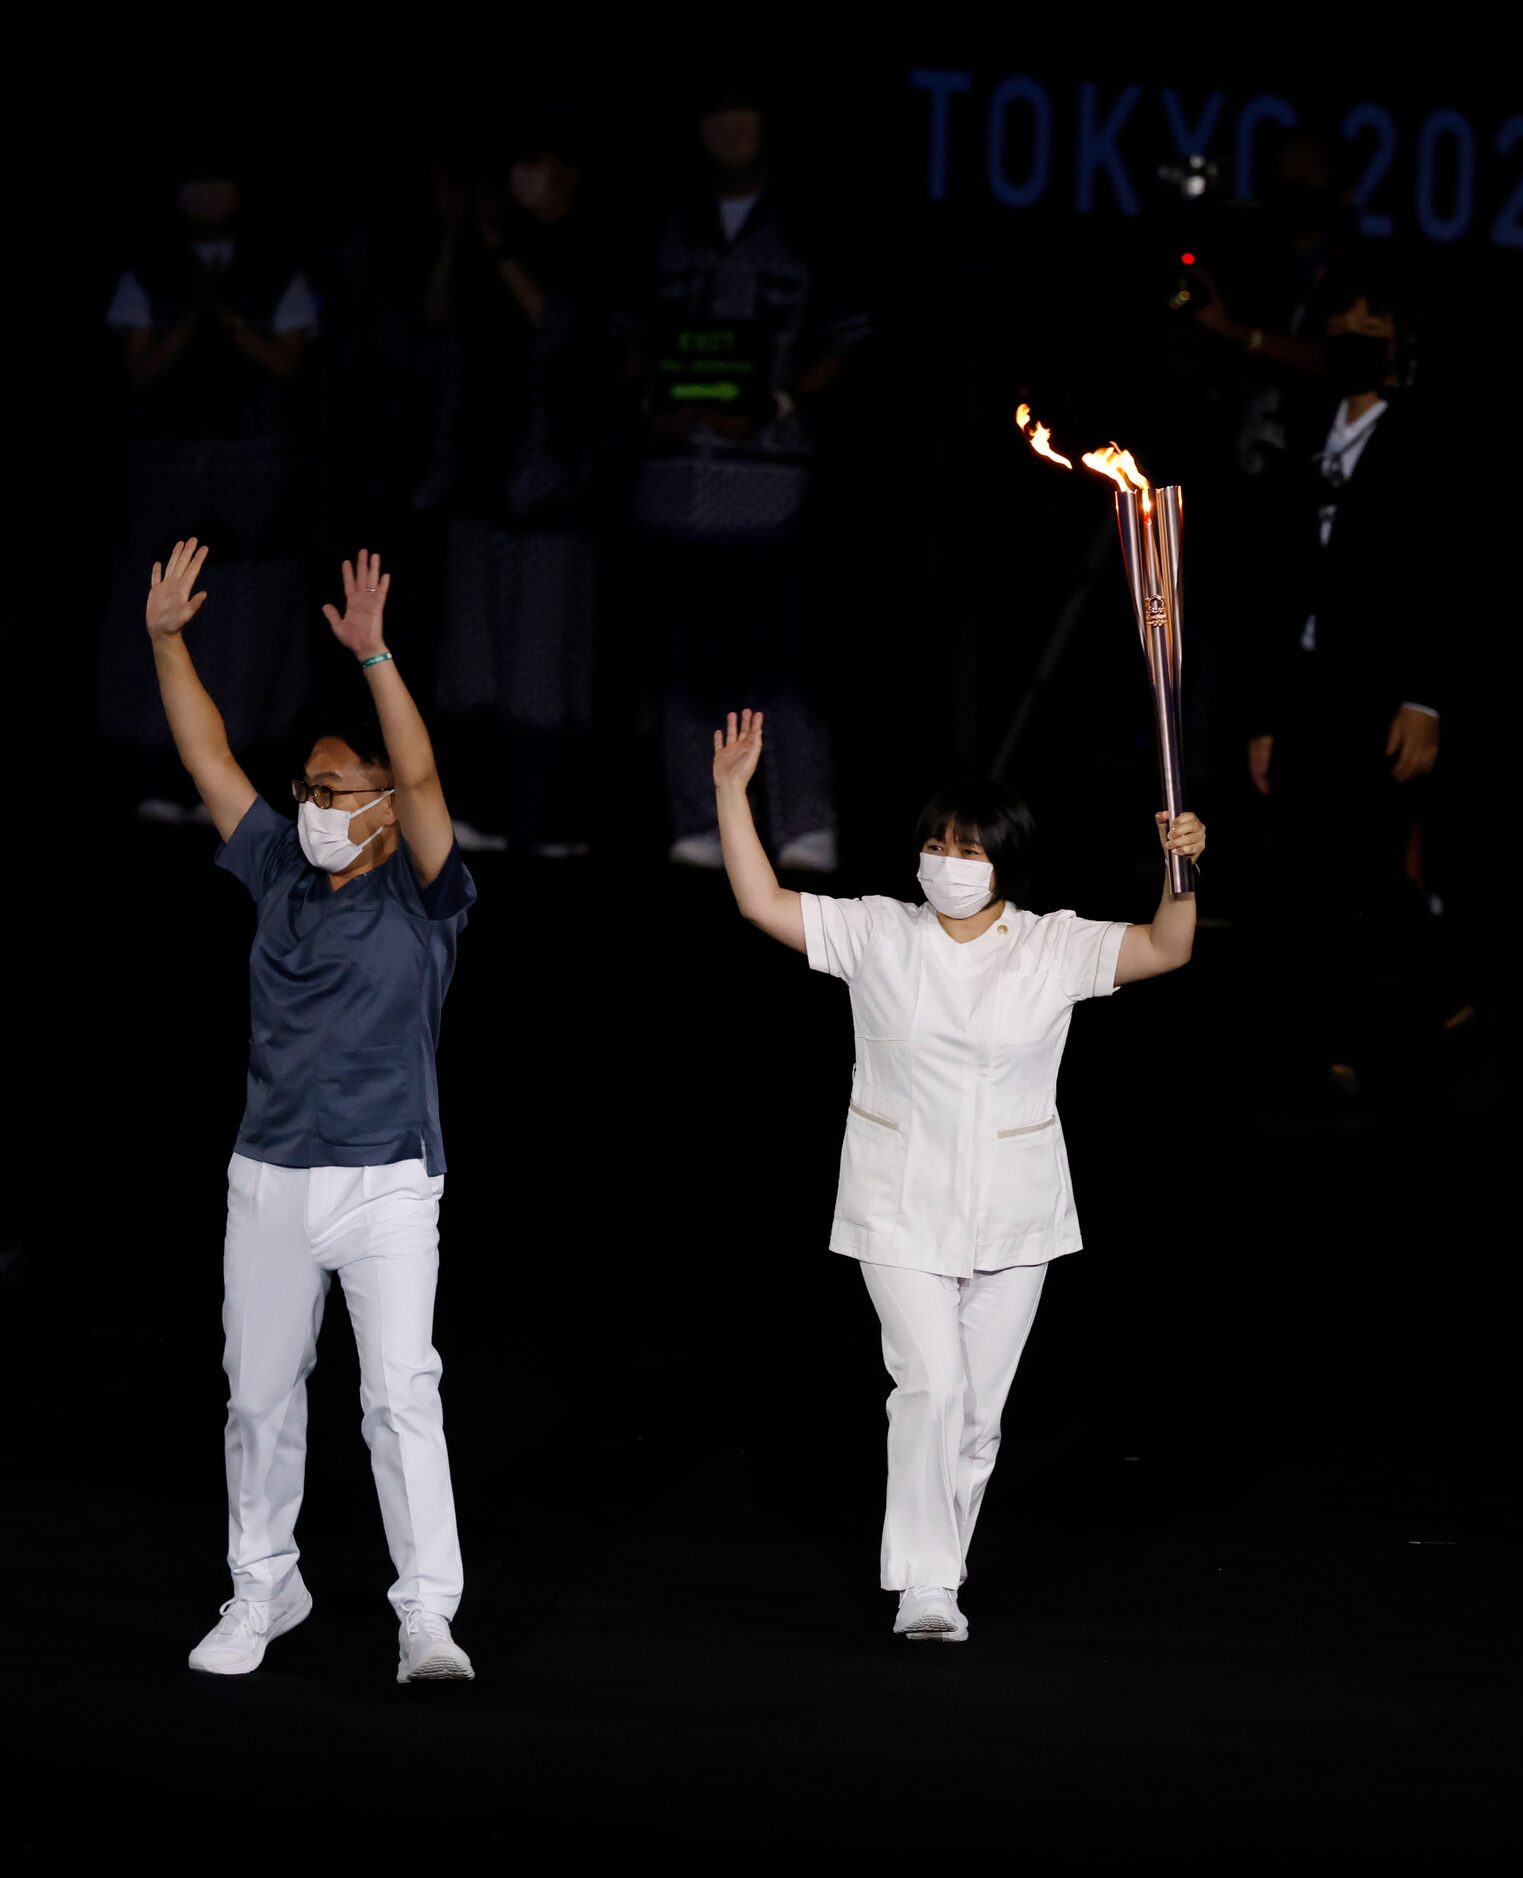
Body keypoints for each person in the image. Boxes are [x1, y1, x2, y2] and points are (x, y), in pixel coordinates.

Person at [713, 709, 1205, 1640]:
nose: (948, 861)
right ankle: (925, 1589)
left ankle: (943, 1574)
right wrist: (733, 797)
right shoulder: (878, 934)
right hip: (896, 1203)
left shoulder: (1051, 944)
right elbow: (761, 903)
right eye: (936, 845)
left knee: (976, 1415)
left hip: (1015, 1212)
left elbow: (1166, 947)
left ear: (1003, 864)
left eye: (968, 849)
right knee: (930, 1385)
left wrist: (1181, 869)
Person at [147, 539, 477, 1683]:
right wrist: (165, 639)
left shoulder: (425, 892)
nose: (316, 805)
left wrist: (376, 654)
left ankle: (426, 1614)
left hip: (387, 1178)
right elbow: (203, 749)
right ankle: (262, 1588)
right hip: (271, 1175)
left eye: (338, 792)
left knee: (398, 1396)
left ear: (381, 809)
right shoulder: (281, 864)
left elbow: (427, 781)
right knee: (256, 1398)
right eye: (310, 790)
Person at [614, 73, 869, 873]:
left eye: (743, 111)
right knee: (686, 660)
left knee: (779, 660)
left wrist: (779, 404)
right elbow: (623, 332)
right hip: (673, 476)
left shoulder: (807, 221)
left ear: (767, 122)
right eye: (713, 111)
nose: (729, 126)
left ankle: (801, 824)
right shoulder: (664, 215)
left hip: (768, 483)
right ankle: (699, 821)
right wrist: (649, 396)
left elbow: (847, 339)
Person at [1246, 263, 1475, 1108]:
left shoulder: (1426, 442)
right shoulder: (1308, 438)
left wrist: (1426, 699)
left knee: (1374, 875)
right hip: (1307, 688)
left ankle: (1454, 1016)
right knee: (1300, 880)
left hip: (1382, 695)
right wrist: (1267, 712)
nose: (1348, 334)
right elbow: (1280, 582)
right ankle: (1328, 1060)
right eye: (1338, 321)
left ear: (1397, 348)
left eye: (1369, 327)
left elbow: (1451, 579)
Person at [99, 142, 319, 819]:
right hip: (169, 474)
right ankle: (161, 775)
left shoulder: (277, 277)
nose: (207, 196)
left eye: (219, 181)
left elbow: (288, 366)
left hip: (256, 477)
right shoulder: (149, 276)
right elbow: (138, 373)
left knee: (247, 620)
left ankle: (239, 775)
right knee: (163, 621)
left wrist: (223, 316)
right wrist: (194, 318)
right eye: (194, 182)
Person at [420, 109, 603, 855]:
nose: (521, 179)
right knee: (474, 658)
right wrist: (460, 234)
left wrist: (493, 243)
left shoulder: (589, 245)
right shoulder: (487, 249)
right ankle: (476, 809)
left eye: (537, 162)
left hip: (558, 487)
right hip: (481, 478)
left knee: (543, 667)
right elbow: (436, 318)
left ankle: (547, 821)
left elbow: (560, 326)